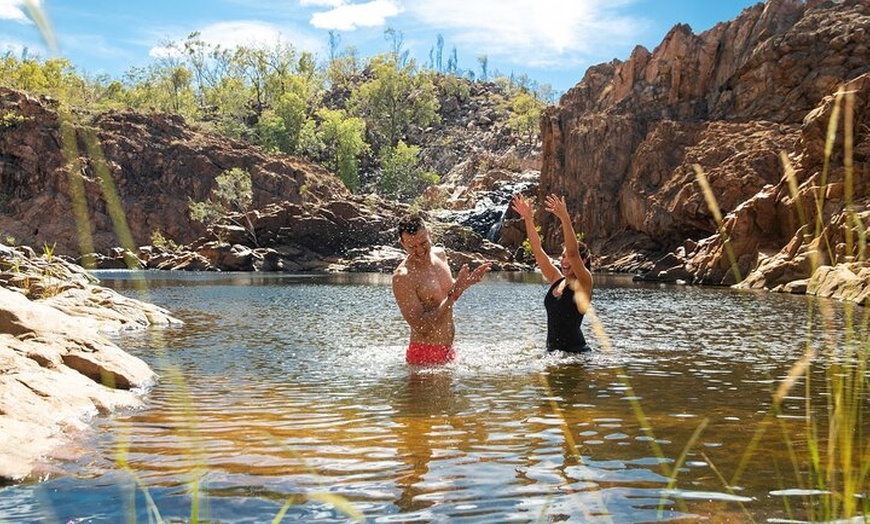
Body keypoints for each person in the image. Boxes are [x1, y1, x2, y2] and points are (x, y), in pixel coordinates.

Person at [392, 212, 491, 365]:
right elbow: (422, 326)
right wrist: (454, 295)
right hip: (423, 355)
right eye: (412, 247)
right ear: (403, 244)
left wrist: (465, 284)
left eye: (424, 243)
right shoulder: (403, 277)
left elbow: (444, 293)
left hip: (449, 350)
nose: (419, 251)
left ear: (429, 234)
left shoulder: (440, 255)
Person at [511, 193, 593, 353]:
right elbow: (537, 250)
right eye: (562, 257)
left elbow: (573, 252)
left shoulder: (584, 282)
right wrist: (528, 219)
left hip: (576, 355)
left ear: (582, 261)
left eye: (568, 258)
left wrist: (564, 218)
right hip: (553, 354)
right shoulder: (556, 279)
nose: (564, 261)